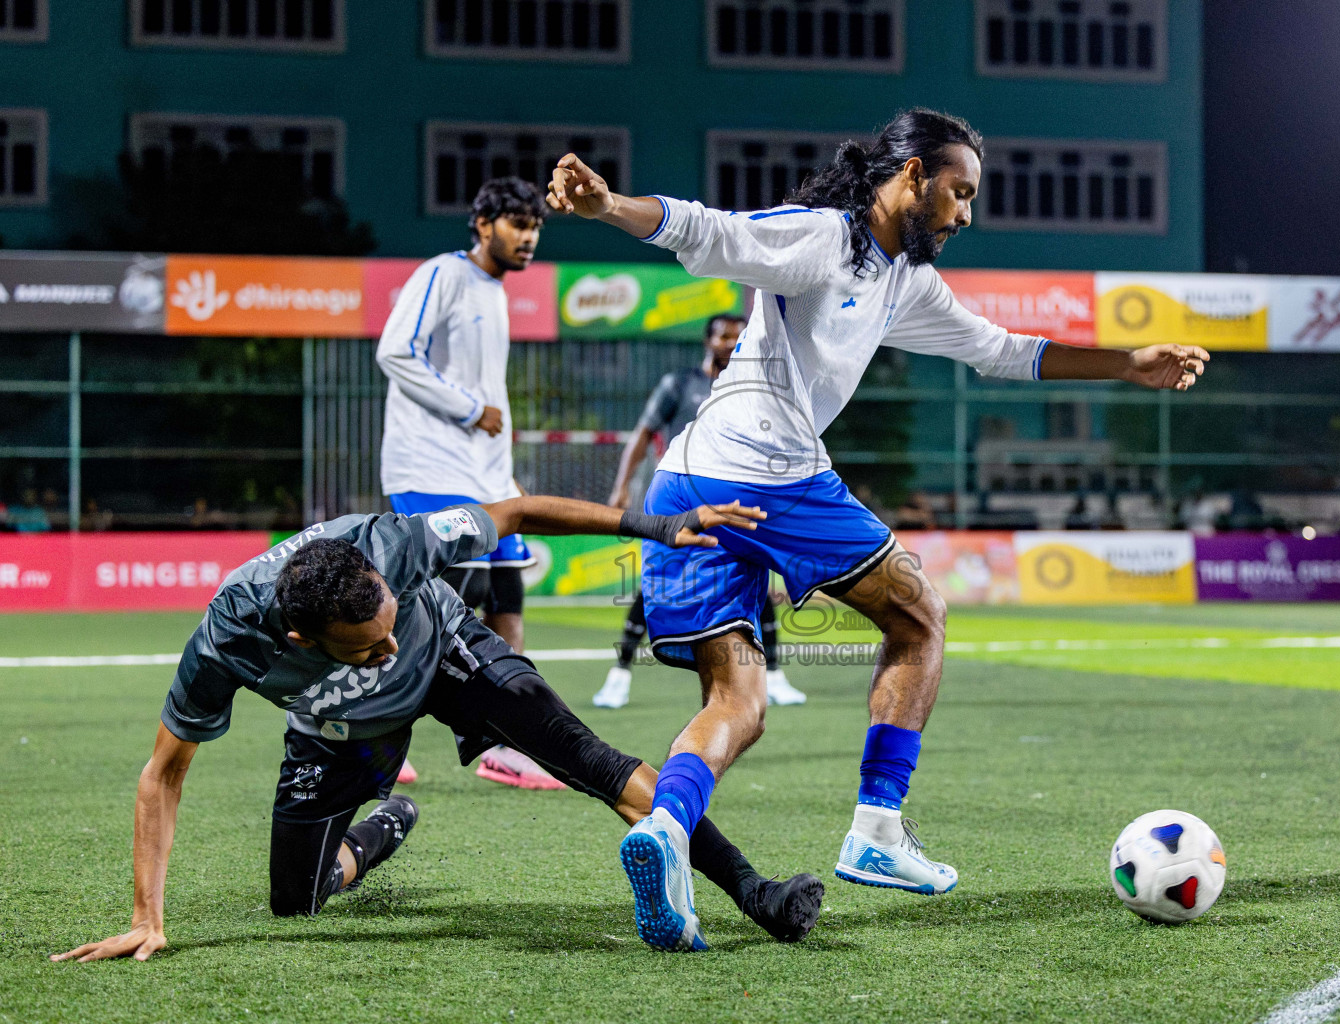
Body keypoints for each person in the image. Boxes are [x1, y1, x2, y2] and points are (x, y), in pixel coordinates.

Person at [547, 107, 1210, 951]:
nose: (966, 214)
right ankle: (877, 829)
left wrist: (1126, 362)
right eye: (958, 193)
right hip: (768, 474)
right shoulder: (825, 237)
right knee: (920, 615)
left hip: (688, 483)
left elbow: (999, 349)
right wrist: (608, 206)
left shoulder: (904, 279)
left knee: (738, 700)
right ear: (911, 178)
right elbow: (709, 233)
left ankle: (665, 832)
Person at [50, 494, 823, 964]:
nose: (385, 648)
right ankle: (383, 827)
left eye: (388, 621)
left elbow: (515, 510)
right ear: (301, 641)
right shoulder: (227, 642)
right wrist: (145, 920)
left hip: (451, 651)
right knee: (298, 901)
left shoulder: (395, 542)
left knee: (587, 757)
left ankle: (754, 890)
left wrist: (659, 525)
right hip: (341, 727)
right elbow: (163, 773)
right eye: (368, 645)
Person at [375, 176, 556, 790]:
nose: (528, 238)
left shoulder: (495, 290)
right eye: (516, 225)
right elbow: (395, 352)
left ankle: (507, 744)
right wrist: (465, 407)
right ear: (483, 225)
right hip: (429, 469)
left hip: (484, 477)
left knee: (507, 598)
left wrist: (500, 465)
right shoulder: (443, 275)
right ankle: (367, 729)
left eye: (534, 227)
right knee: (425, 610)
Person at [593, 314, 806, 709]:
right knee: (654, 584)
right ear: (708, 341)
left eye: (738, 335)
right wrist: (621, 486)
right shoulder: (680, 384)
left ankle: (774, 675)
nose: (731, 342)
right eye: (724, 335)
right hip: (679, 501)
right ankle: (619, 676)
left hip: (735, 500)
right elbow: (643, 433)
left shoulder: (752, 388)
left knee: (755, 578)